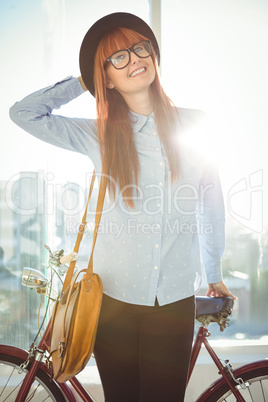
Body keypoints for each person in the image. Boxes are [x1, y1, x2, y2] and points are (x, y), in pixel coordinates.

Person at [10, 12, 236, 402]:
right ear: (107, 77)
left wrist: (213, 272)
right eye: (118, 57)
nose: (134, 59)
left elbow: (210, 207)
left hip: (174, 300)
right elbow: (23, 113)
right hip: (112, 300)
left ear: (154, 54)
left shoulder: (196, 126)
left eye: (139, 48)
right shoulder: (99, 135)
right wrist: (85, 79)